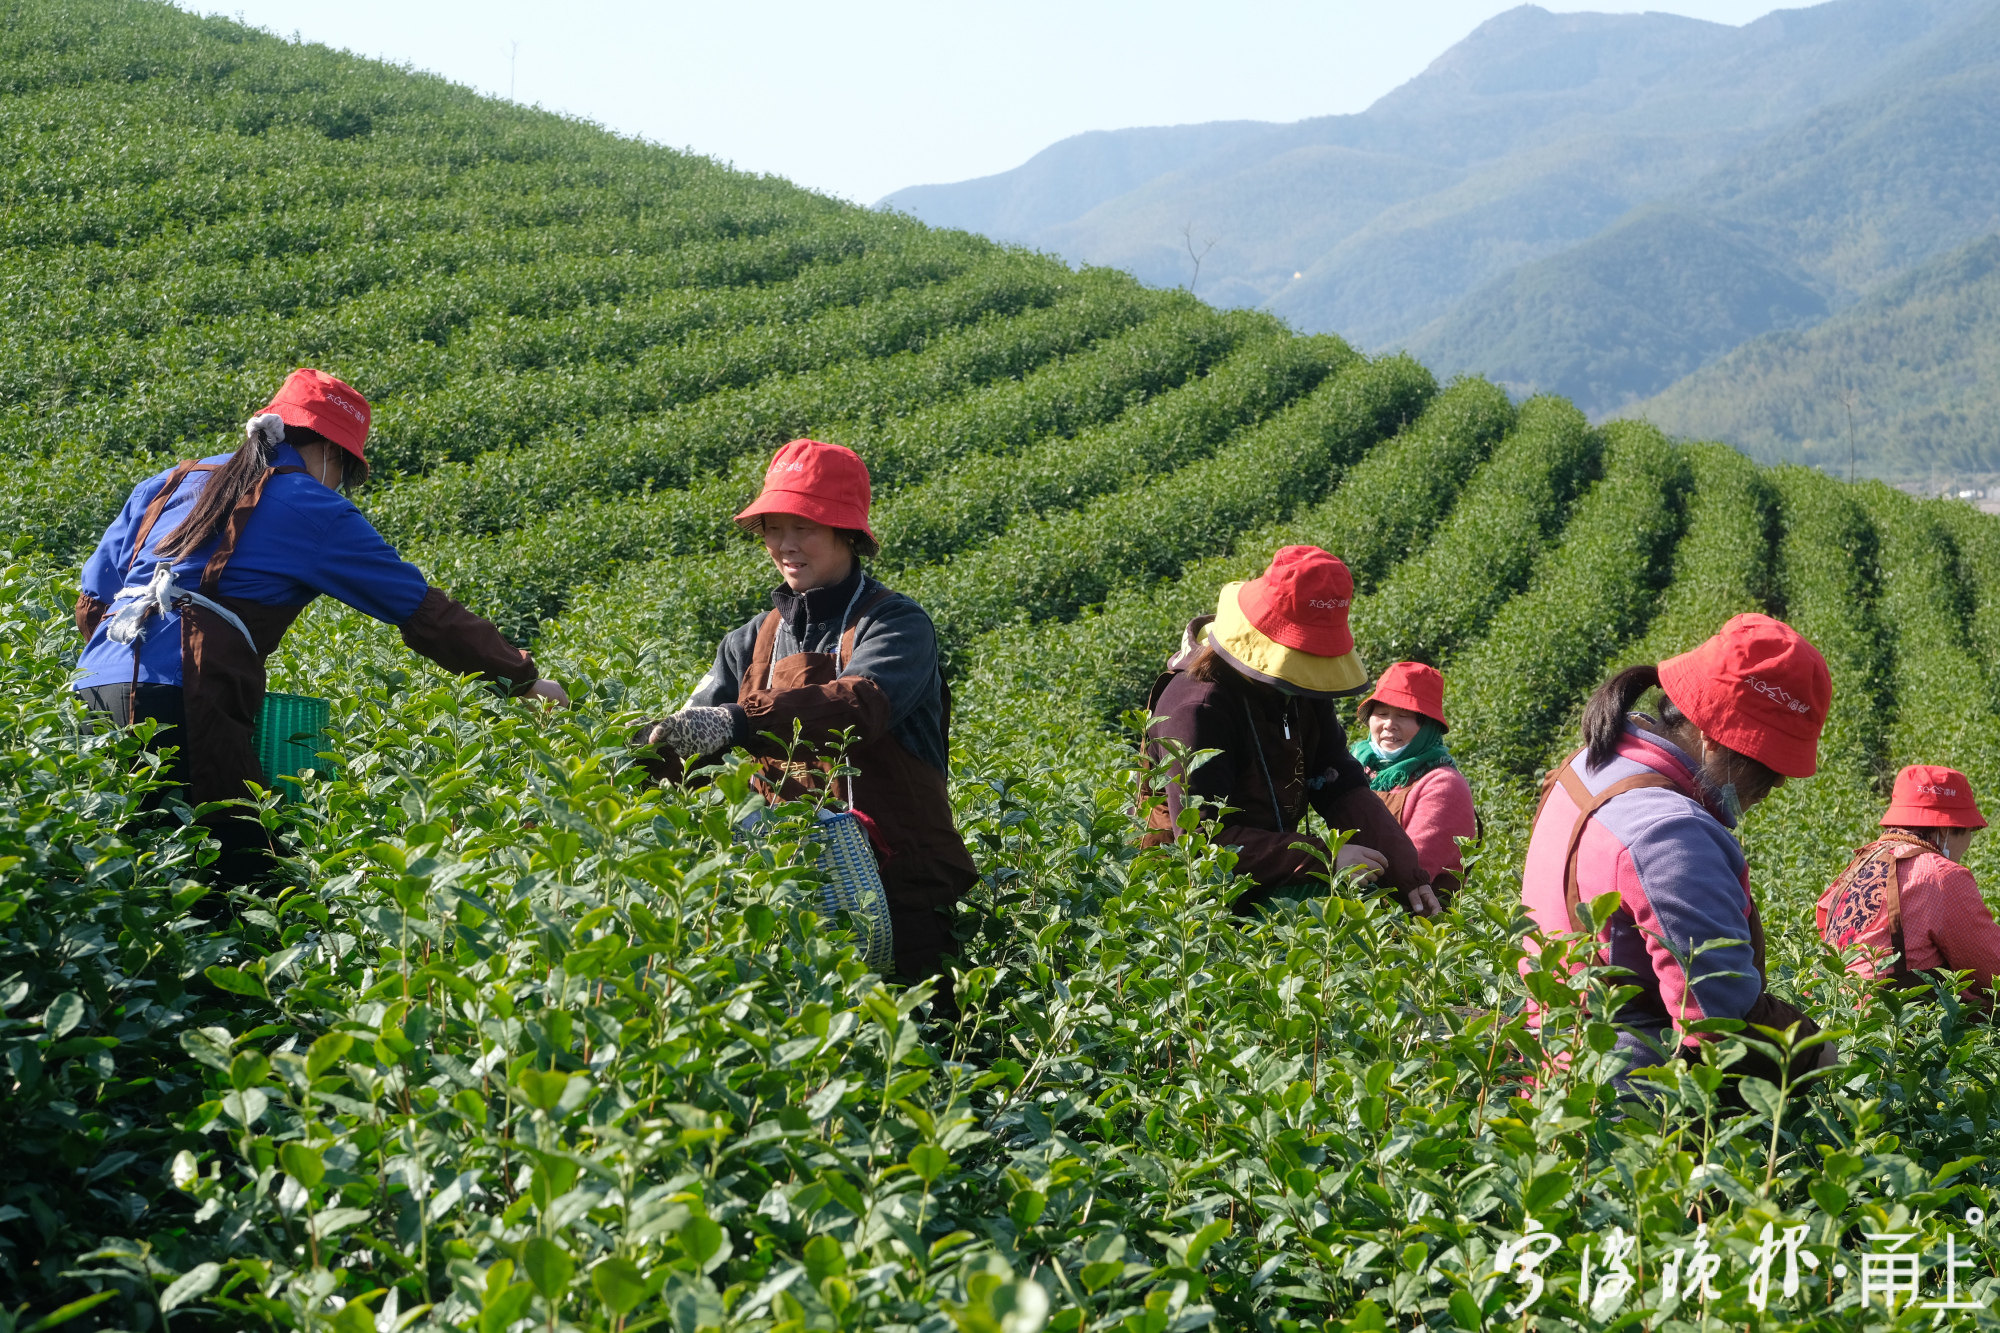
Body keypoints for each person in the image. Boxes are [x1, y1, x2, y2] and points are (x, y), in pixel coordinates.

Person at [74, 369, 568, 884]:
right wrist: (522, 679)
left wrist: (129, 670)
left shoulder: (170, 480)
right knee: (243, 875)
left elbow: (92, 602)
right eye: (346, 471)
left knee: (129, 859)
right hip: (184, 695)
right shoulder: (311, 506)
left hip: (96, 681)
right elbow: (421, 610)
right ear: (333, 453)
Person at [636, 438, 978, 1000]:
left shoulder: (895, 624)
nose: (785, 544)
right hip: (793, 887)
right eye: (773, 527)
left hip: (901, 886)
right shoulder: (749, 640)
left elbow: (857, 703)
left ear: (848, 534)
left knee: (919, 1051)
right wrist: (619, 767)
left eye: (806, 527)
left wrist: (739, 722)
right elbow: (691, 733)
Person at [1521, 613, 1832, 1090]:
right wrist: (1815, 1050)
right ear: (1711, 736)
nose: (1775, 784)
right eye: (1767, 766)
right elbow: (1719, 1024)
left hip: (1559, 1062)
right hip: (1627, 1103)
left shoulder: (1591, 763)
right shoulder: (1670, 832)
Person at [1142, 546, 1441, 916]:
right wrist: (1324, 857)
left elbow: (1338, 782)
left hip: (1270, 870)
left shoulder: (1298, 686)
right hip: (1191, 901)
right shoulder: (1198, 708)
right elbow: (1201, 842)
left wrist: (1407, 874)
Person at [1818, 764, 2000, 1011]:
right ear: (1946, 829)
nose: (1968, 843)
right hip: (1895, 1023)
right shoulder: (1940, 874)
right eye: (1970, 831)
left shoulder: (1864, 860)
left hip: (1835, 1011)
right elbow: (1991, 968)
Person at [1352, 661, 1478, 904]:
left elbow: (1413, 869)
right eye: (1382, 713)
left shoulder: (1443, 784)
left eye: (1404, 715)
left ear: (1428, 726)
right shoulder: (1359, 767)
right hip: (1357, 906)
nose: (1389, 724)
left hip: (1411, 924)